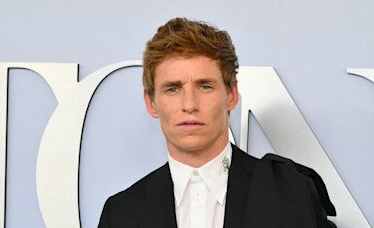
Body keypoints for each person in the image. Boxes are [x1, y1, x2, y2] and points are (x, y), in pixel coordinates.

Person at [98, 17, 337, 228]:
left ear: (231, 95)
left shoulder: (290, 193)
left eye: (205, 86)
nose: (189, 104)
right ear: (151, 103)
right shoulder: (121, 214)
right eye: (173, 89)